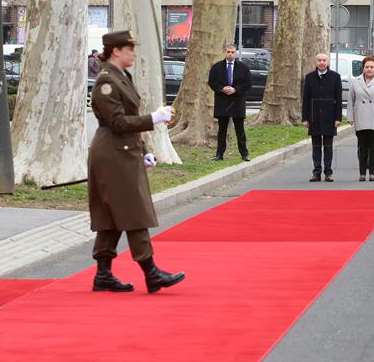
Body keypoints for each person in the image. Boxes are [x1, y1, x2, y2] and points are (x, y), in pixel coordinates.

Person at [88, 30, 185, 294]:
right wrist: (154, 118)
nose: (133, 52)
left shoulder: (122, 77)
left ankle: (103, 274)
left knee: (112, 215)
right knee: (132, 211)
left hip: (123, 149)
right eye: (129, 48)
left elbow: (126, 120)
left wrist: (143, 150)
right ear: (116, 51)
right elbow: (117, 122)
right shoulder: (106, 81)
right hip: (112, 152)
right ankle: (151, 272)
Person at [348, 56, 374, 181]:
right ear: (363, 68)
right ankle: (362, 173)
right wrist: (351, 118)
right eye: (367, 67)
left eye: (372, 67)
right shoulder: (356, 81)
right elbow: (351, 101)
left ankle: (372, 173)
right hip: (361, 118)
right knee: (362, 147)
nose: (369, 69)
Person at [207, 44, 252, 162]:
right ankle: (219, 154)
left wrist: (235, 89)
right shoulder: (217, 67)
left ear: (235, 53)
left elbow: (248, 83)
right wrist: (222, 89)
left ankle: (244, 154)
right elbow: (212, 82)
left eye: (232, 52)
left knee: (240, 129)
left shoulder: (243, 68)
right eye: (228, 52)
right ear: (224, 52)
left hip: (237, 101)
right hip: (223, 101)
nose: (230, 54)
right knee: (222, 129)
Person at [302, 52, 342, 182]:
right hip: (314, 116)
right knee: (316, 146)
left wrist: (338, 118)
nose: (322, 62)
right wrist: (305, 118)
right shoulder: (309, 77)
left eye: (324, 60)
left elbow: (339, 99)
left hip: (329, 116)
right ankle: (316, 172)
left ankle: (328, 172)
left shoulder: (335, 77)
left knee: (328, 146)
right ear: (316, 62)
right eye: (319, 60)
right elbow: (306, 99)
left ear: (328, 62)